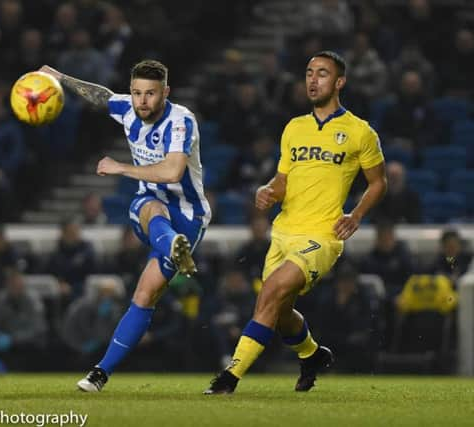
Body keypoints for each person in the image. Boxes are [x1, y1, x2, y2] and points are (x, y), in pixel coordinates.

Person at [204, 51, 386, 394]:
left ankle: (229, 378)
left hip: (322, 235)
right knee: (279, 309)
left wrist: (357, 214)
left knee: (270, 293)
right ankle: (312, 354)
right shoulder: (294, 127)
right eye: (308, 73)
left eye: (322, 74)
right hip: (283, 231)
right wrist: (267, 190)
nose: (313, 80)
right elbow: (282, 180)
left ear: (339, 82)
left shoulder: (360, 132)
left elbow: (378, 183)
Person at [40, 59, 210, 392]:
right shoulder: (128, 108)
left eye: (150, 94)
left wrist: (120, 168)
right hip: (153, 210)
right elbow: (102, 97)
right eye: (136, 93)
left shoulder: (181, 121)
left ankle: (100, 373)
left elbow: (173, 172)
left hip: (189, 216)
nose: (142, 101)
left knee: (144, 295)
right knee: (150, 204)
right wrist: (59, 77)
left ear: (166, 92)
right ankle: (173, 247)